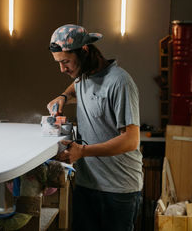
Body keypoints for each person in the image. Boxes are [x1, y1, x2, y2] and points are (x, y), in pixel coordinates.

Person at [46, 24, 143, 231]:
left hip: (118, 190)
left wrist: (82, 152)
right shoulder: (83, 76)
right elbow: (76, 86)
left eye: (65, 62)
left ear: (85, 51)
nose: (62, 69)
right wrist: (64, 97)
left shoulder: (119, 82)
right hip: (87, 185)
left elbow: (131, 140)